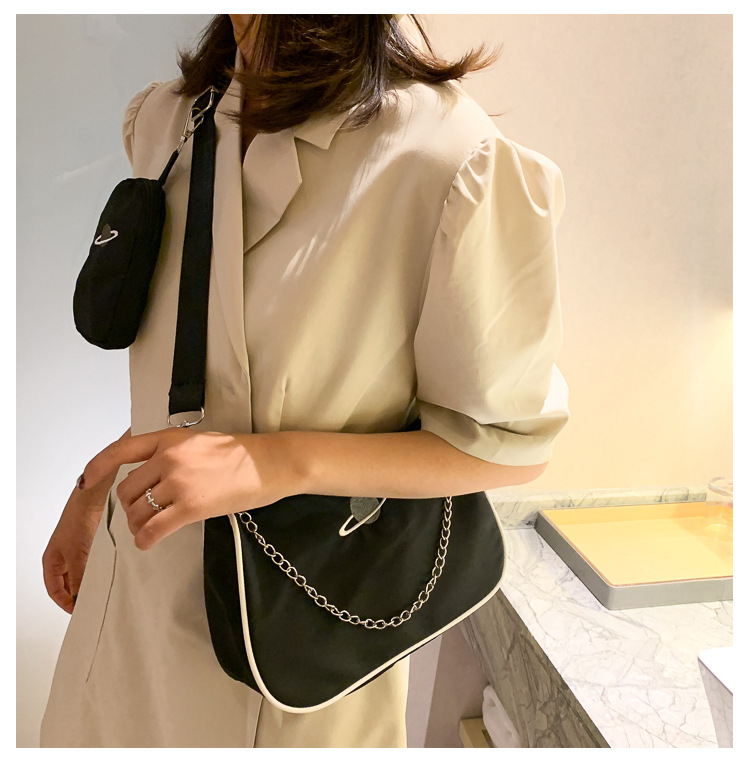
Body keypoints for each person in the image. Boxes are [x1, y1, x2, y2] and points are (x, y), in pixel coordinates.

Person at [40, 14, 569, 748]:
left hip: (292, 644)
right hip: (129, 601)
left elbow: (507, 447)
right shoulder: (166, 120)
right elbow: (202, 382)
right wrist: (92, 491)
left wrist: (275, 462)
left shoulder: (445, 157)